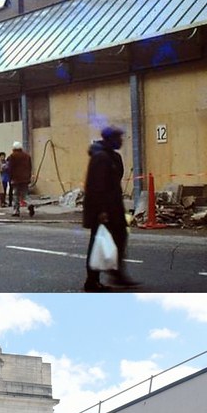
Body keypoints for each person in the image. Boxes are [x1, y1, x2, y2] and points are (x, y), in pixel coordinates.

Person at [82, 125, 139, 291]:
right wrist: (101, 211)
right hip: (104, 210)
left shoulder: (112, 157)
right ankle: (93, 281)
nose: (121, 141)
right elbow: (97, 186)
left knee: (118, 239)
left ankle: (116, 274)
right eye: (118, 138)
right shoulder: (101, 158)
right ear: (111, 139)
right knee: (99, 242)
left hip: (113, 207)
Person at [8, 141, 34, 217]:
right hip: (25, 178)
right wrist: (29, 177)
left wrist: (10, 178)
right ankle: (30, 203)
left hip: (16, 179)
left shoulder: (12, 156)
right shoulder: (27, 156)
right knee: (25, 194)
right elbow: (30, 167)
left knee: (16, 194)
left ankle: (16, 211)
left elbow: (10, 168)